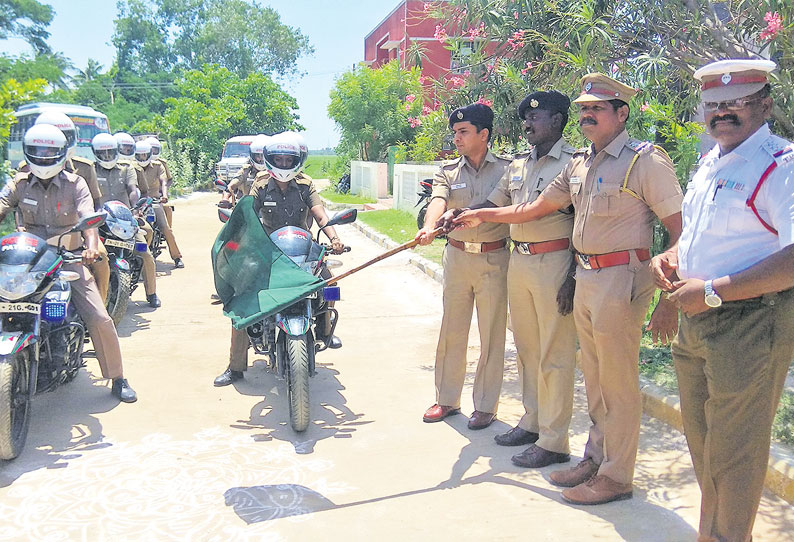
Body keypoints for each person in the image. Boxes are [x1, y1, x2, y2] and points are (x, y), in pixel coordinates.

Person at [454, 74, 683, 504]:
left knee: (617, 383)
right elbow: (535, 207)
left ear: (621, 113)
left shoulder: (644, 162)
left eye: (597, 108)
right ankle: (595, 461)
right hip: (589, 277)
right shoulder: (581, 163)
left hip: (622, 279)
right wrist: (477, 217)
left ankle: (617, 475)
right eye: (583, 109)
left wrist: (669, 298)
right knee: (595, 382)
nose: (587, 116)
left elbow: (679, 232)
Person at [651, 59, 794, 542]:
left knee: (734, 453)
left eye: (735, 103)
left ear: (765, 105)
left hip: (748, 321)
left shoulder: (782, 164)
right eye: (713, 105)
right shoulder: (711, 161)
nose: (721, 113)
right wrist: (673, 257)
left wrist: (711, 290)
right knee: (706, 446)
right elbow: (699, 235)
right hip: (697, 319)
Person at [1, 124, 137, 402]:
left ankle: (118, 376)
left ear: (62, 153)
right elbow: (2, 205)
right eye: (38, 151)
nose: (44, 156)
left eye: (50, 151)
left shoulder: (76, 183)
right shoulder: (19, 182)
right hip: (28, 261)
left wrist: (90, 247)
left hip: (67, 260)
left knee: (98, 317)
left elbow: (88, 218)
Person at [482, 91, 579, 468]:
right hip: (519, 262)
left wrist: (573, 275)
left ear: (556, 121)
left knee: (555, 353)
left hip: (556, 262)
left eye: (536, 119)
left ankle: (555, 441)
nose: (527, 124)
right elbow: (494, 203)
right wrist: (457, 216)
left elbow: (582, 224)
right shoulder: (519, 164)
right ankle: (533, 420)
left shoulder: (574, 164)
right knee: (526, 350)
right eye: (525, 119)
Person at [214, 131, 345, 387]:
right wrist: (237, 235)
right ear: (270, 159)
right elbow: (250, 212)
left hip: (301, 244)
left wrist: (334, 238)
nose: (284, 165)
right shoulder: (261, 184)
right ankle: (236, 366)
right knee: (244, 298)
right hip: (269, 249)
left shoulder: (306, 184)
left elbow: (320, 214)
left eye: (289, 160)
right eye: (279, 159)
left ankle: (325, 329)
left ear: (297, 160)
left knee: (328, 282)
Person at [415, 103, 511, 430]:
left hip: (494, 258)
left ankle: (485, 406)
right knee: (452, 331)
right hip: (457, 257)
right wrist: (428, 228)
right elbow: (438, 201)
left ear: (484, 134)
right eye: (455, 132)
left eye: (464, 132)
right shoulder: (448, 171)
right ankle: (446, 399)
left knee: (492, 334)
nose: (456, 138)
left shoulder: (508, 170)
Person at [17, 112, 111, 302]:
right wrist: (19, 229)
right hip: (33, 244)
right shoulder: (25, 169)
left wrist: (91, 242)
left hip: (74, 239)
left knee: (101, 255)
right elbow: (17, 206)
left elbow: (94, 202)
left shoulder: (83, 169)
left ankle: (102, 300)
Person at [92, 134, 161, 308]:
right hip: (100, 222)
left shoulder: (126, 168)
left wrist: (136, 211)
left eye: (110, 152)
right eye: (103, 153)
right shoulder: (91, 171)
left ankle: (151, 294)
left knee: (145, 253)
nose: (107, 156)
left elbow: (133, 189)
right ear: (96, 154)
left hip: (124, 220)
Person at [135, 140, 184, 269]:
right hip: (138, 204)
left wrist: (165, 195)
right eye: (139, 156)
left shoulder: (158, 166)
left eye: (144, 155)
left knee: (165, 228)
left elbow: (164, 180)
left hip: (154, 202)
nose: (142, 158)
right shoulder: (132, 167)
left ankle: (176, 257)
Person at [219, 134, 269, 208]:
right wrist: (225, 199)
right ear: (252, 155)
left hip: (270, 212)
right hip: (248, 210)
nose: (261, 159)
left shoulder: (275, 172)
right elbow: (231, 186)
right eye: (258, 156)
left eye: (263, 156)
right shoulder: (246, 171)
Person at [145, 136, 175, 228]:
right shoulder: (137, 164)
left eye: (155, 150)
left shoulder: (161, 164)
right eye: (151, 150)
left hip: (158, 196)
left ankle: (168, 231)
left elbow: (168, 180)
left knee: (167, 208)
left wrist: (163, 193)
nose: (153, 152)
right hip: (142, 197)